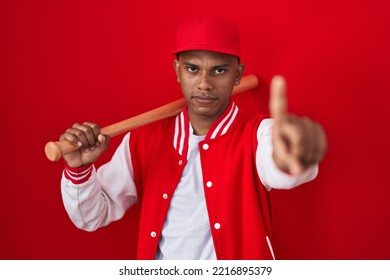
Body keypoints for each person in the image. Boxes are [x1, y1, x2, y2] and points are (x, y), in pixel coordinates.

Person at [59, 15, 327, 260]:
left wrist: (292, 154)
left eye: (219, 70)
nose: (204, 84)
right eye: (192, 69)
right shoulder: (144, 139)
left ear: (238, 74)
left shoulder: (259, 134)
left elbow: (282, 168)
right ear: (177, 70)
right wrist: (78, 168)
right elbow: (91, 217)